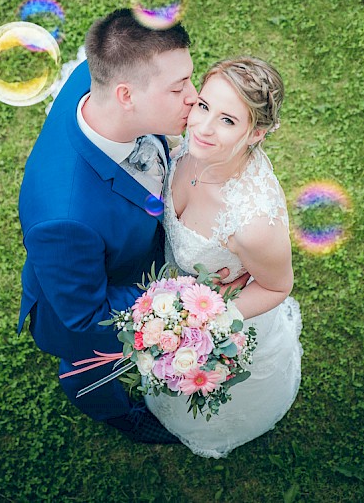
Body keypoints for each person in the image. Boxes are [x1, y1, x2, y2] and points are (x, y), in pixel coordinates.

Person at [17, 8, 197, 443]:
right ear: (126, 96)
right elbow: (85, 319)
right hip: (88, 306)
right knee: (91, 371)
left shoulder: (92, 78)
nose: (194, 96)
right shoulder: (64, 220)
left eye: (190, 78)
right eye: (178, 89)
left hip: (129, 250)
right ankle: (118, 415)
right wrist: (179, 299)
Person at [146, 56, 302, 458]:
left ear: (257, 133)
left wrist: (206, 320)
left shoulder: (252, 223)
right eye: (203, 106)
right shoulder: (185, 148)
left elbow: (277, 286)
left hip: (209, 314)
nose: (202, 127)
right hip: (173, 294)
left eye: (228, 121)